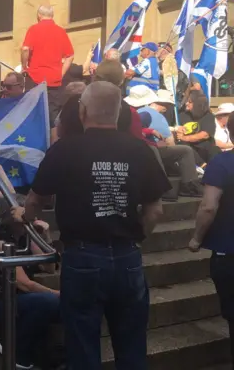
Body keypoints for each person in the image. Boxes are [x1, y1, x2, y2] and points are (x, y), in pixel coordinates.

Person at [23, 81, 170, 370]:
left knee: (82, 347)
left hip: (82, 257)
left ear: (83, 111)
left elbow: (34, 201)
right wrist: (137, 237)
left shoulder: (64, 149)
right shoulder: (141, 150)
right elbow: (155, 211)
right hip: (128, 256)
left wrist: (26, 218)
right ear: (117, 113)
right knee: (131, 346)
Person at [189, 112, 234, 366]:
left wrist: (196, 239)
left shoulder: (222, 163)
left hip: (228, 253)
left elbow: (208, 206)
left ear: (229, 133)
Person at [0, 213, 60, 370]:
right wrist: (57, 293)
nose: (33, 218)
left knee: (58, 305)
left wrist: (45, 236)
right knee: (48, 301)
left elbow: (50, 268)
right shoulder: (0, 242)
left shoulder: (26, 238)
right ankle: (17, 351)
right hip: (0, 301)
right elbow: (24, 284)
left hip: (24, 299)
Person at [125, 86, 203, 197]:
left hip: (139, 148)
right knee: (185, 150)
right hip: (149, 150)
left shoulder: (138, 111)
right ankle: (189, 186)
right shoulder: (156, 115)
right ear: (161, 103)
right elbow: (168, 141)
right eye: (169, 104)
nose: (169, 107)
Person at [21, 5, 75, 127]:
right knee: (52, 117)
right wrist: (61, 73)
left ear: (39, 15)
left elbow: (25, 49)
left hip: (35, 78)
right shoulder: (61, 31)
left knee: (32, 114)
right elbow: (70, 56)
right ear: (52, 16)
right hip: (54, 80)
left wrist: (24, 66)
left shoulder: (33, 29)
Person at [177, 90, 220, 167]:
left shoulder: (208, 116)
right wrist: (178, 130)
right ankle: (203, 167)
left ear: (197, 104)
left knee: (215, 149)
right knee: (183, 145)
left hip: (205, 148)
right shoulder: (182, 115)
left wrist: (185, 138)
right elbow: (177, 132)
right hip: (190, 149)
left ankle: (215, 169)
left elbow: (205, 135)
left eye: (190, 102)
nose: (186, 103)